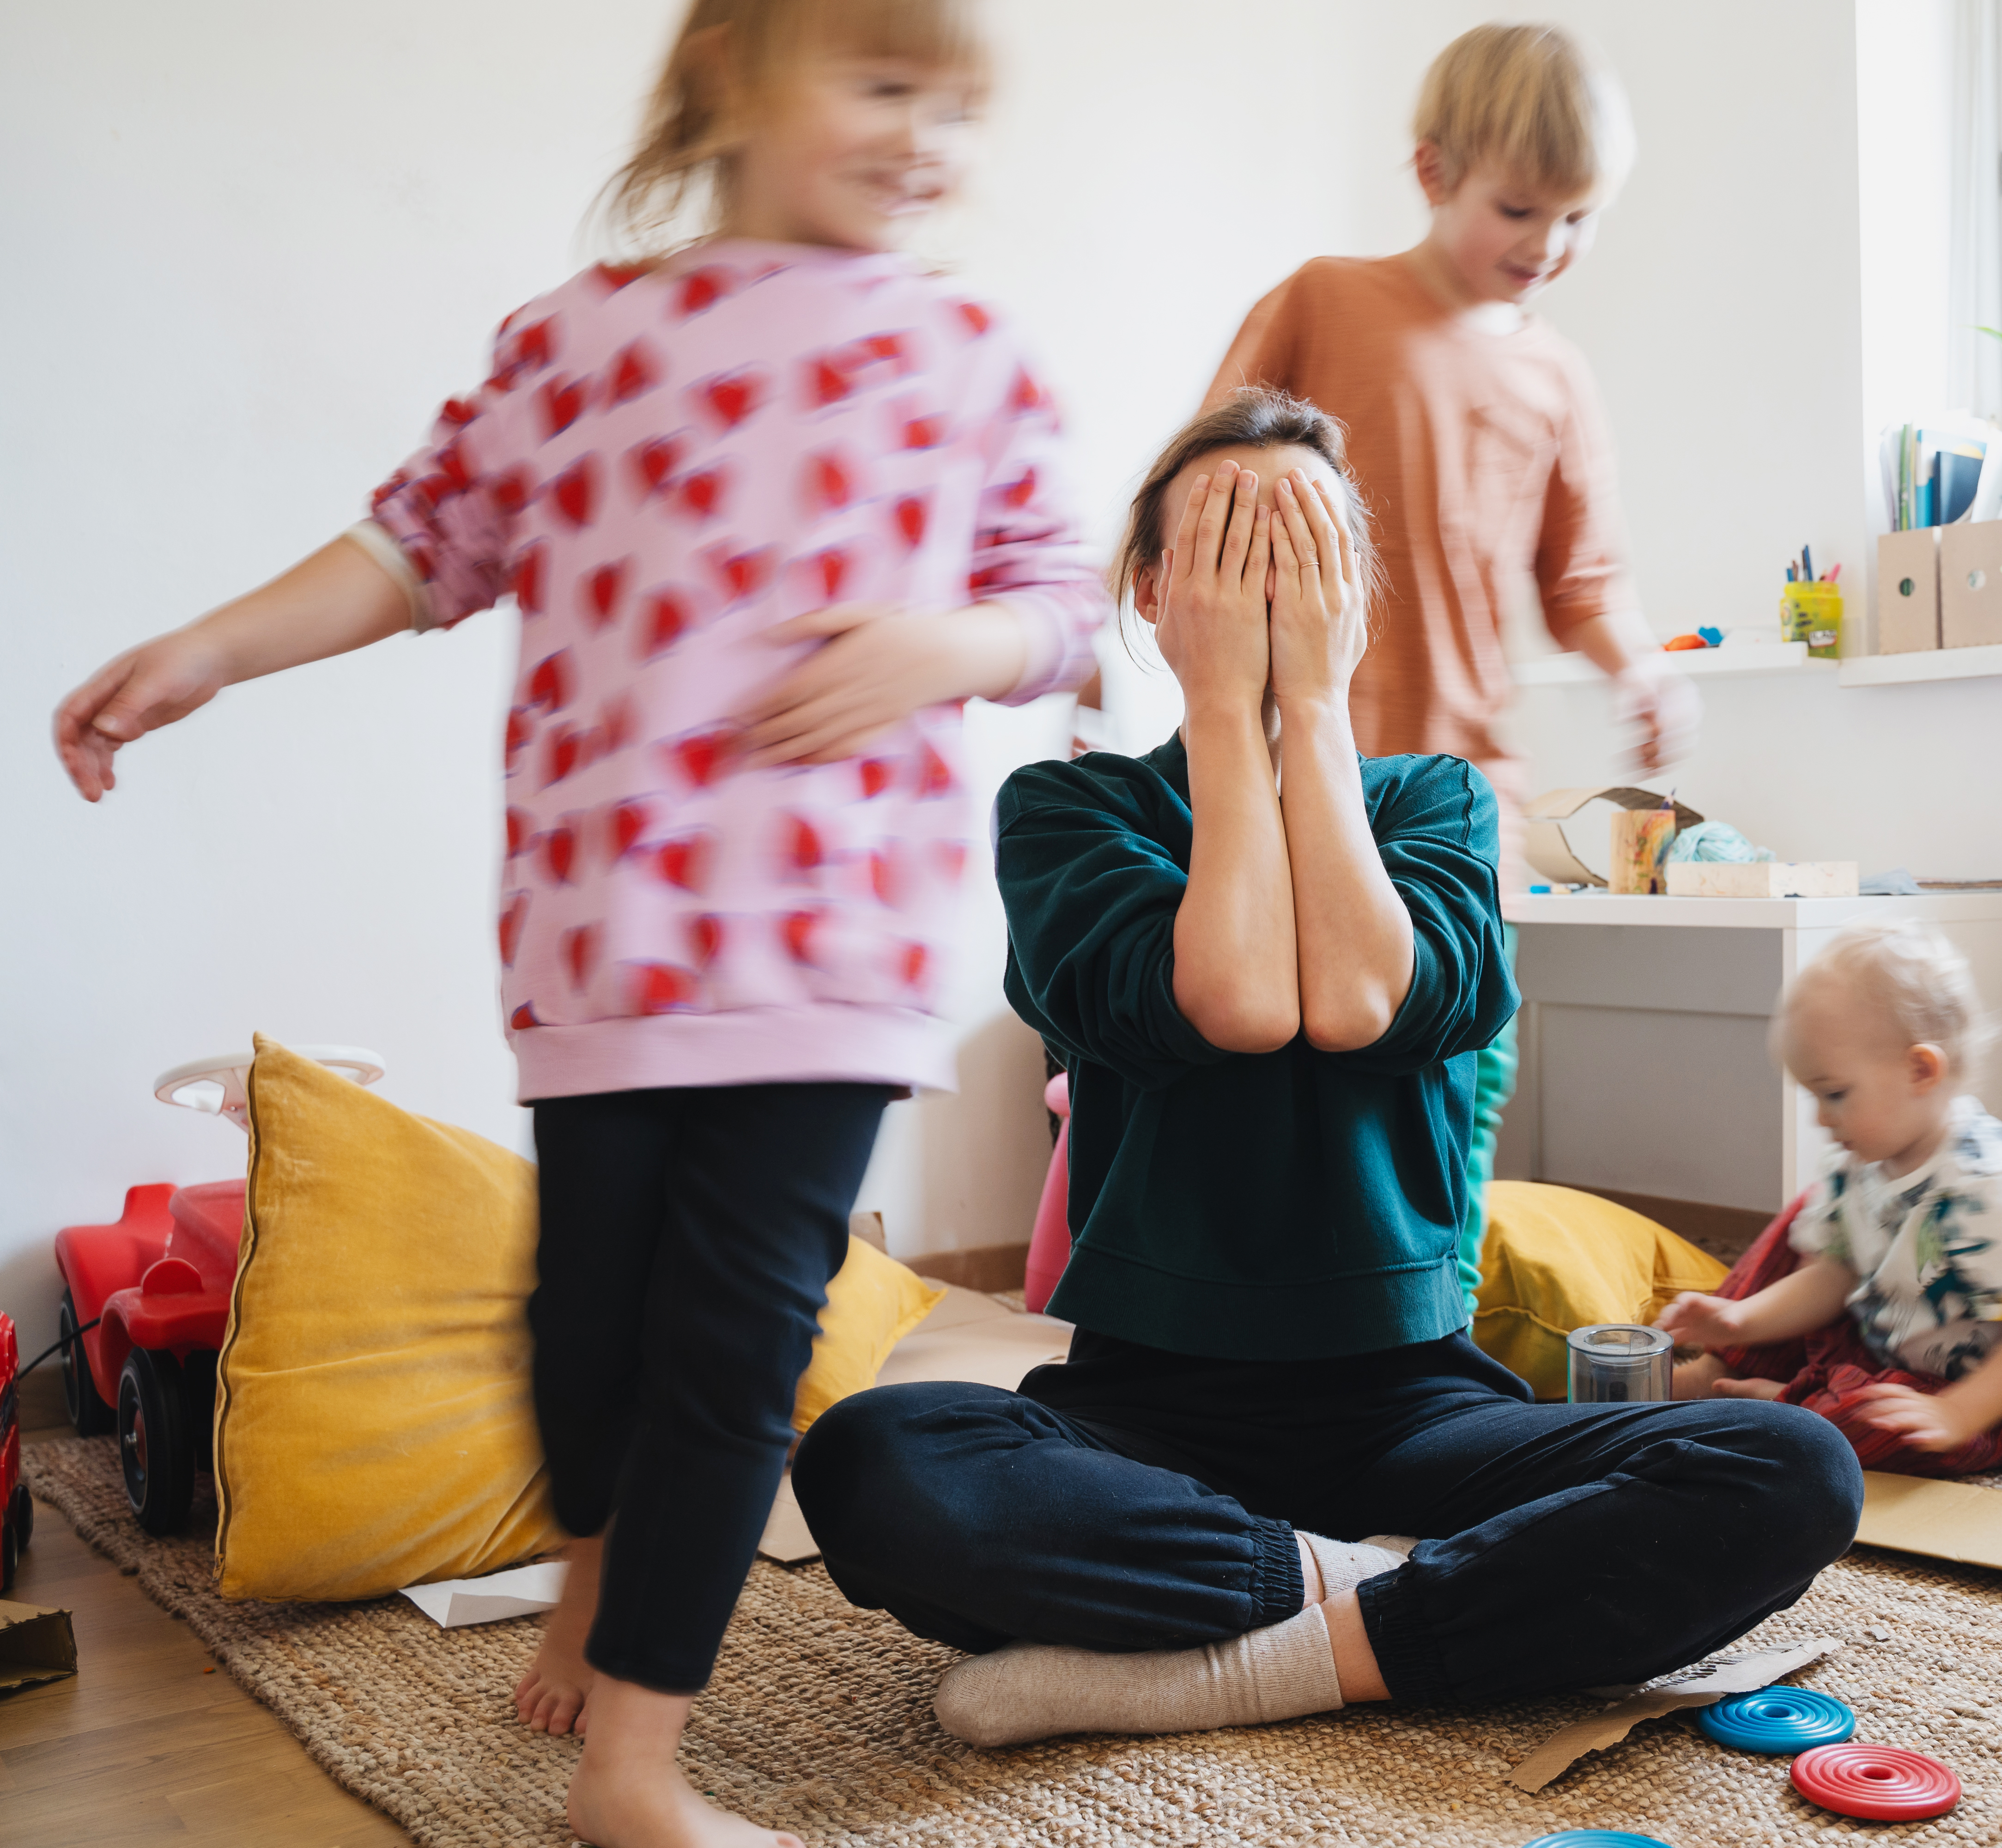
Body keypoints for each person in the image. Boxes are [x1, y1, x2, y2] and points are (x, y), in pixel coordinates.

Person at [49, 1, 1102, 1840]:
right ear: (729, 87)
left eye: (957, 106)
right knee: (583, 1348)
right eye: (882, 83)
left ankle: (637, 1765)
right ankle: (595, 1565)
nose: (928, 135)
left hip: (830, 966)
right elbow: (413, 543)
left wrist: (959, 643)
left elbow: (1064, 601)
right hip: (605, 954)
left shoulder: (967, 351)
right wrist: (209, 646)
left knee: (730, 1351)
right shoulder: (583, 341)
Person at [791, 389, 1859, 1748]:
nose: (1267, 588)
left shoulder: (1434, 802)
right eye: (1232, 551)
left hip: (1409, 1405)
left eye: (1301, 553)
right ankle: (1381, 1600)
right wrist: (1231, 711)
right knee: (874, 1460)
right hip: (1141, 1408)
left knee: (1789, 1466)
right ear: (1154, 590)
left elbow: (1358, 998)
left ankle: (1272, 1645)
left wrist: (1306, 697)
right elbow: (1235, 998)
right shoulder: (1072, 810)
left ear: (1353, 594)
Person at [1204, 24, 1697, 1289]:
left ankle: (1441, 1291)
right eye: (1520, 209)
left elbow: (1582, 577)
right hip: (1301, 761)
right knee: (1299, 1052)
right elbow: (1207, 467)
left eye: (1580, 218)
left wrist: (1637, 665)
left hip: (1467, 783)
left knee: (1470, 1050)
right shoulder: (1325, 301)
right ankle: (1291, 1304)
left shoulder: (1558, 378)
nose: (1549, 247)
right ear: (1431, 174)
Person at [1659, 921, 2002, 1477]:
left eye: (1834, 1093)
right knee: (1804, 1223)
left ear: (1920, 1070)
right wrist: (1739, 1320)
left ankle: (1787, 1406)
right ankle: (1722, 1369)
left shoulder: (1991, 1186)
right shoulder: (1858, 1157)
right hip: (1881, 1339)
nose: (1820, 1117)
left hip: (1981, 1397)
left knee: (1870, 1427)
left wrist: (1956, 1412)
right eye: (1813, 1095)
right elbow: (1834, 1274)